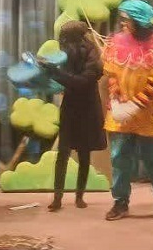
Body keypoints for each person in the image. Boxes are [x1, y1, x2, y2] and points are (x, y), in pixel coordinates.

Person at [101, 0, 153, 221]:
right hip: (121, 115)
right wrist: (116, 98)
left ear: (139, 21)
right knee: (119, 159)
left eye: (127, 20)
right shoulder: (115, 43)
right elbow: (111, 74)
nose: (123, 24)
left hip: (149, 116)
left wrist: (134, 105)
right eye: (122, 20)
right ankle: (120, 202)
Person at [39, 21, 107, 211]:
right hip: (70, 106)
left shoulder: (91, 54)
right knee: (63, 152)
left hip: (87, 108)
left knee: (84, 153)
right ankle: (57, 198)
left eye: (64, 38)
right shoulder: (67, 51)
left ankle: (79, 197)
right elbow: (63, 76)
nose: (62, 42)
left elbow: (82, 82)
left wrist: (56, 73)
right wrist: (45, 67)